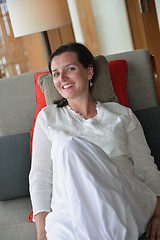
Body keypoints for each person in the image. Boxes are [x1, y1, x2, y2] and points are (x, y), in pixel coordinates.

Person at [29, 42, 160, 240]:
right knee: (68, 148)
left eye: (70, 69)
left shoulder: (121, 115)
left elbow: (146, 167)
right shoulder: (48, 117)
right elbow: (40, 177)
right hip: (71, 212)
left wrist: (158, 213)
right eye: (55, 74)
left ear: (89, 72)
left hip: (125, 202)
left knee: (69, 147)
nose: (62, 78)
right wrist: (41, 232)